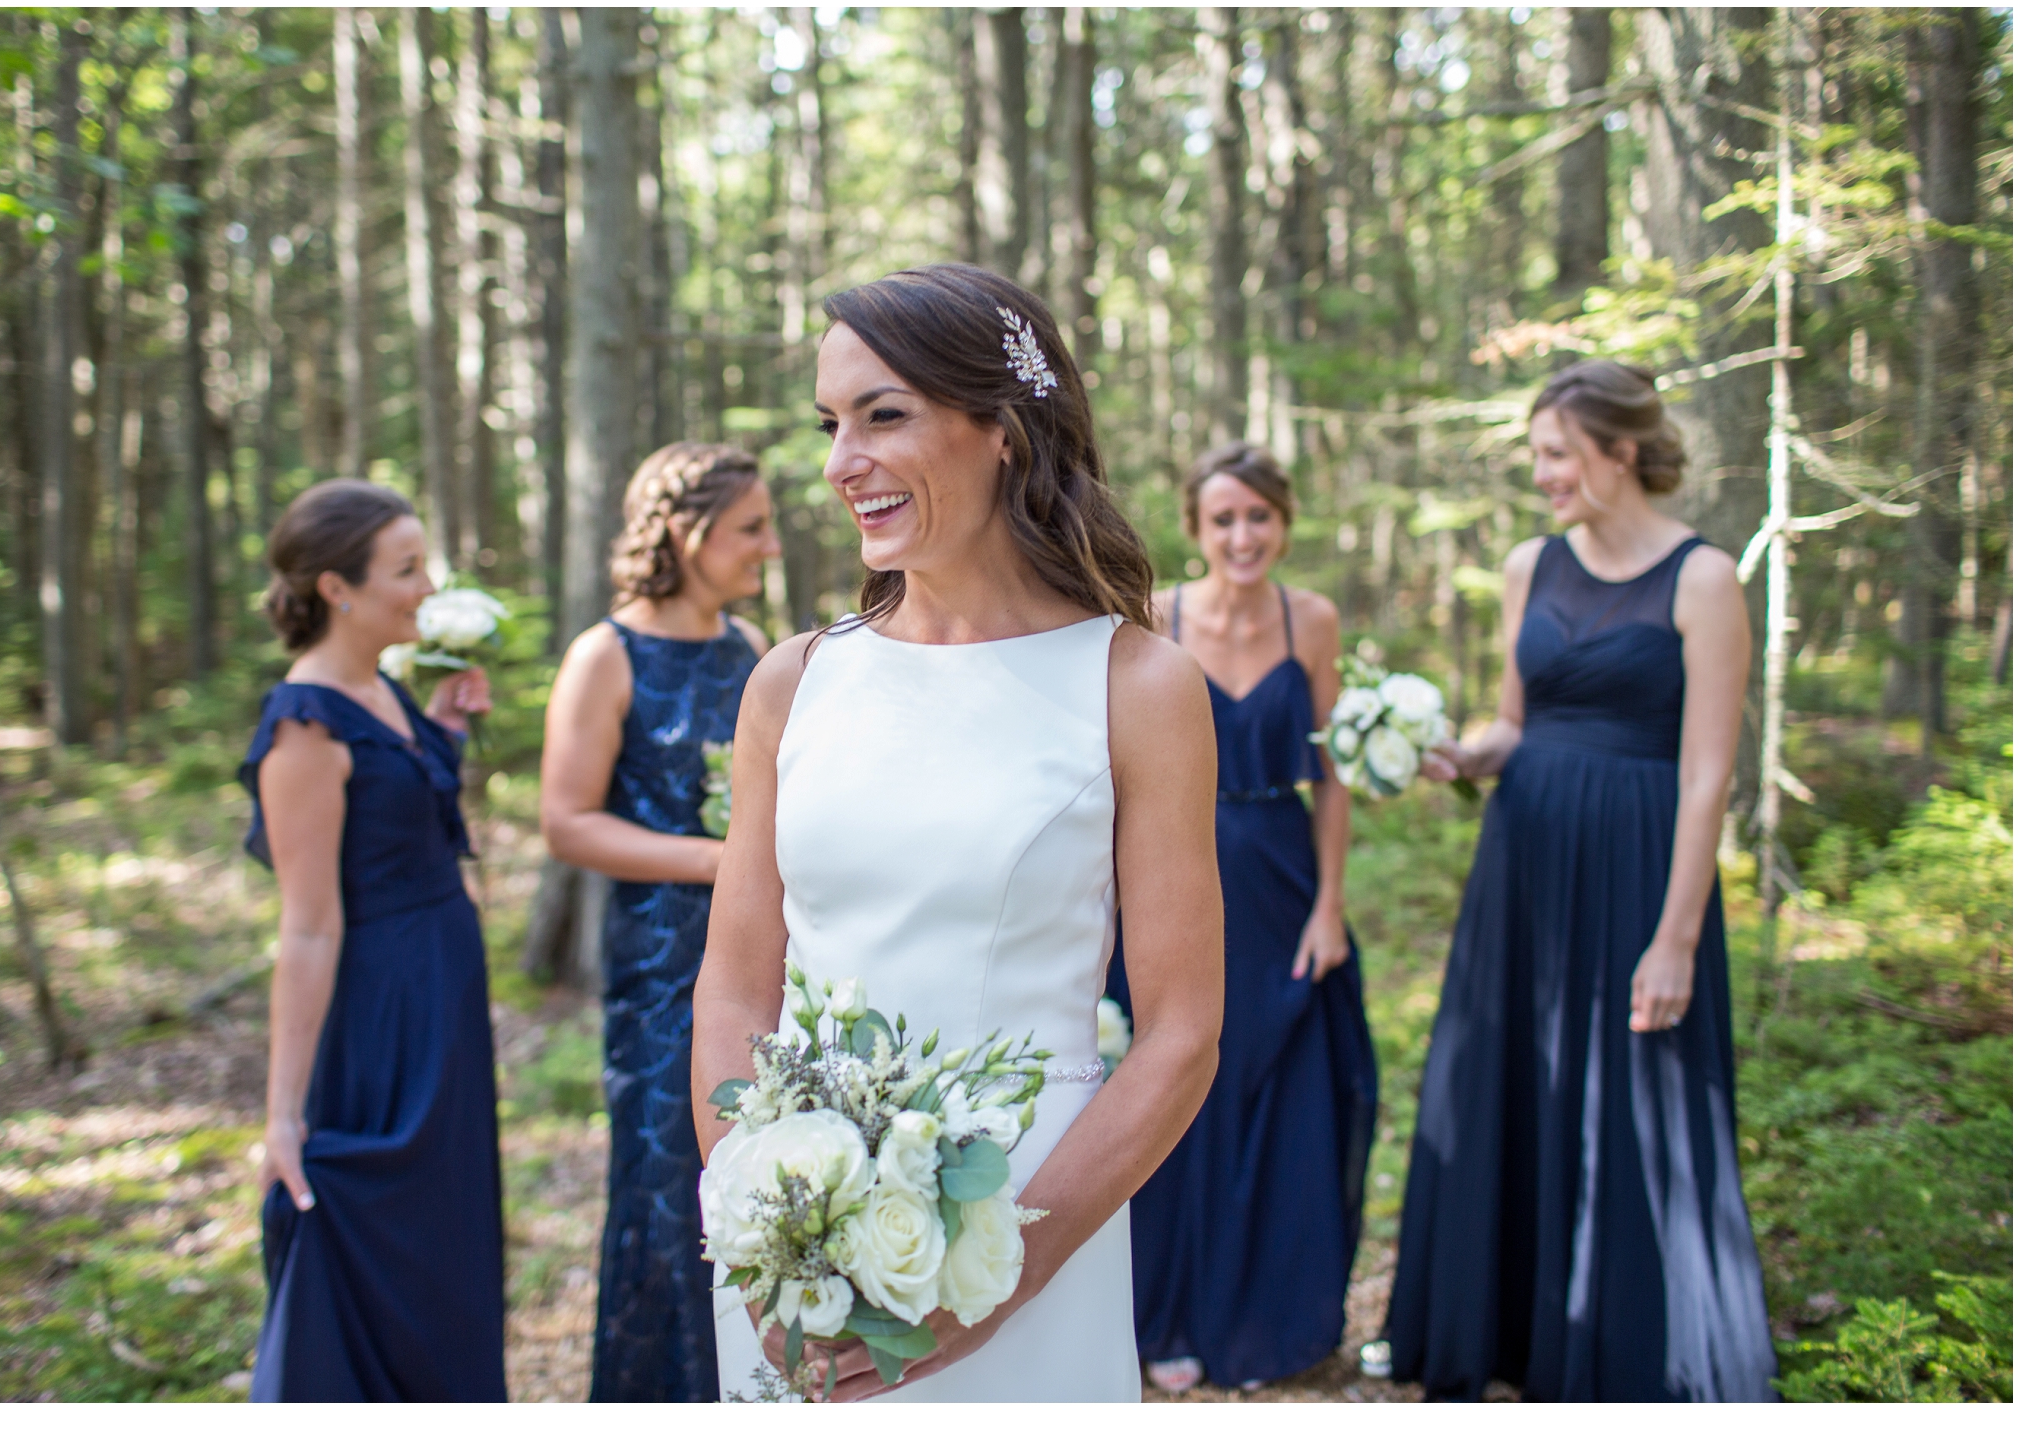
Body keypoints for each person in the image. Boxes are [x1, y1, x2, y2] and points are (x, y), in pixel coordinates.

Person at [692, 263, 1224, 1403]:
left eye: (884, 417)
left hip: (1028, 1221)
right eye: (832, 424)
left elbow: (1181, 1032)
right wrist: (758, 1220)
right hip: (801, 1243)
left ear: (1004, 432)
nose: (842, 464)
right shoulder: (792, 682)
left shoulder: (1136, 686)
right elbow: (736, 990)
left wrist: (1004, 1275)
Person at [1380, 360, 1776, 1401]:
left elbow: (1708, 773)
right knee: (1517, 1079)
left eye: (1558, 454)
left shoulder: (1704, 579)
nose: (1544, 475)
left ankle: (1626, 1354)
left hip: (1645, 867)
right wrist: (1461, 755)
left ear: (1621, 451)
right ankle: (1509, 1331)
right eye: (1539, 457)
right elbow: (1516, 719)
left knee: (1635, 1099)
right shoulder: (1529, 566)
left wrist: (1677, 935)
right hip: (1526, 866)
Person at [1105, 442, 1379, 1393]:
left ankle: (1264, 1321)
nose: (1242, 534)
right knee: (1171, 1087)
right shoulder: (1157, 616)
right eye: (1223, 518)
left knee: (1279, 1099)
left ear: (1283, 522)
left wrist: (1330, 907)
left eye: (1258, 515)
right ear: (1195, 527)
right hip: (1171, 864)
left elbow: (1335, 770)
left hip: (1281, 876)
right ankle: (1163, 1315)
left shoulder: (1312, 620)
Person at [241, 479, 503, 1402]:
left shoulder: (382, 689)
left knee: (445, 1232)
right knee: (383, 1232)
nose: (427, 585)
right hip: (381, 1006)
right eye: (405, 568)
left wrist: (441, 729)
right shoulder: (305, 725)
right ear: (336, 588)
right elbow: (309, 924)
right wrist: (282, 1114)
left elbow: (396, 815)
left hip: (444, 993)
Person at [540, 442, 777, 1402]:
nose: (767, 546)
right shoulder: (606, 654)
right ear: (688, 535)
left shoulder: (751, 649)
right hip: (659, 960)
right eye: (750, 529)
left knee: (754, 1173)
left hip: (760, 953)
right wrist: (718, 859)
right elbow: (566, 821)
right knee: (664, 1180)